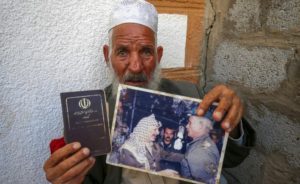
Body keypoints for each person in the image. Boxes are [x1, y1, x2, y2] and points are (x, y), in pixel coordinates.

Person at [43, 0, 255, 184]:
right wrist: (70, 179)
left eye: (146, 51)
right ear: (107, 56)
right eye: (123, 52)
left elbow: (229, 160)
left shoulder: (190, 94)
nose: (135, 67)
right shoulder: (91, 116)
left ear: (158, 55)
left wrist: (232, 125)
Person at [181, 116, 219, 183]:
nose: (186, 126)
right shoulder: (205, 141)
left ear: (200, 126)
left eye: (190, 123)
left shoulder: (199, 153)